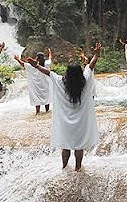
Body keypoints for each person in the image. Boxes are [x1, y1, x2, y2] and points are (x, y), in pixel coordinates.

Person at [27, 43, 102, 171]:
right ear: (79, 73)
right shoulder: (85, 79)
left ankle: (64, 167)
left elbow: (48, 73)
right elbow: (91, 65)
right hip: (81, 122)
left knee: (65, 146)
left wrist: (37, 66)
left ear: (67, 73)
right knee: (79, 146)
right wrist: (96, 54)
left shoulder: (60, 81)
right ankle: (78, 167)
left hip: (65, 122)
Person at [14, 48, 53, 115]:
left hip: (36, 86)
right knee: (47, 98)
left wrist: (17, 59)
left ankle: (37, 113)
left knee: (37, 98)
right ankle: (47, 112)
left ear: (37, 57)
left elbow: (23, 64)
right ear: (43, 58)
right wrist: (50, 52)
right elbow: (50, 58)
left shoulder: (31, 66)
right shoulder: (46, 64)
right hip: (45, 85)